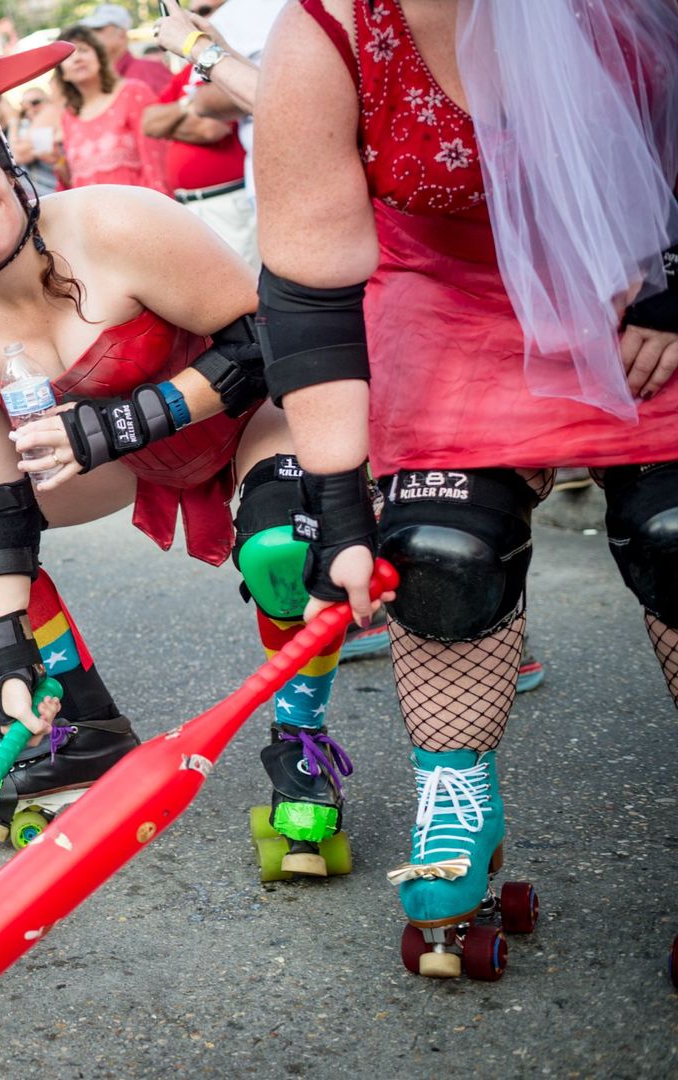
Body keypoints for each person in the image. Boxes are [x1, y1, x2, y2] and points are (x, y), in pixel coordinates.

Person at [0, 45, 356, 862]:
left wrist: (127, 420)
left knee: (282, 549)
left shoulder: (116, 222)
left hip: (249, 422)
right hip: (129, 459)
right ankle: (85, 724)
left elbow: (269, 340)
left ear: (6, 160)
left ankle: (302, 745)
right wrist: (11, 652)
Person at [256, 0, 678, 977]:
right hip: (447, 291)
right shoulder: (331, 31)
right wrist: (345, 518)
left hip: (636, 280)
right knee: (442, 556)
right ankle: (457, 797)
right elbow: (309, 292)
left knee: (672, 532)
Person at [141, 59, 255, 264]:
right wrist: (189, 104)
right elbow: (149, 123)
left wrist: (169, 126)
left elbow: (210, 129)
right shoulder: (189, 70)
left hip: (226, 201)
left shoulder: (226, 68)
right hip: (188, 204)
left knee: (241, 277)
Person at [56, 25, 169, 194]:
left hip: (139, 211)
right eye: (68, 56)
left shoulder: (133, 93)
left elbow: (156, 162)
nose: (77, 58)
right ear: (62, 73)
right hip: (92, 217)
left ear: (99, 58)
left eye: (84, 50)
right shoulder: (69, 116)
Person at [80, 2, 172, 93]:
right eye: (88, 30)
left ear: (121, 33)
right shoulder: (92, 77)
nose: (91, 35)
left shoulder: (150, 70)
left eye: (98, 29)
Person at [9, 82, 67, 195]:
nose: (30, 109)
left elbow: (19, 154)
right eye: (24, 107)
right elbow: (17, 156)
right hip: (36, 198)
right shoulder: (23, 128)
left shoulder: (61, 120)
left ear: (48, 102)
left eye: (35, 102)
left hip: (60, 191)